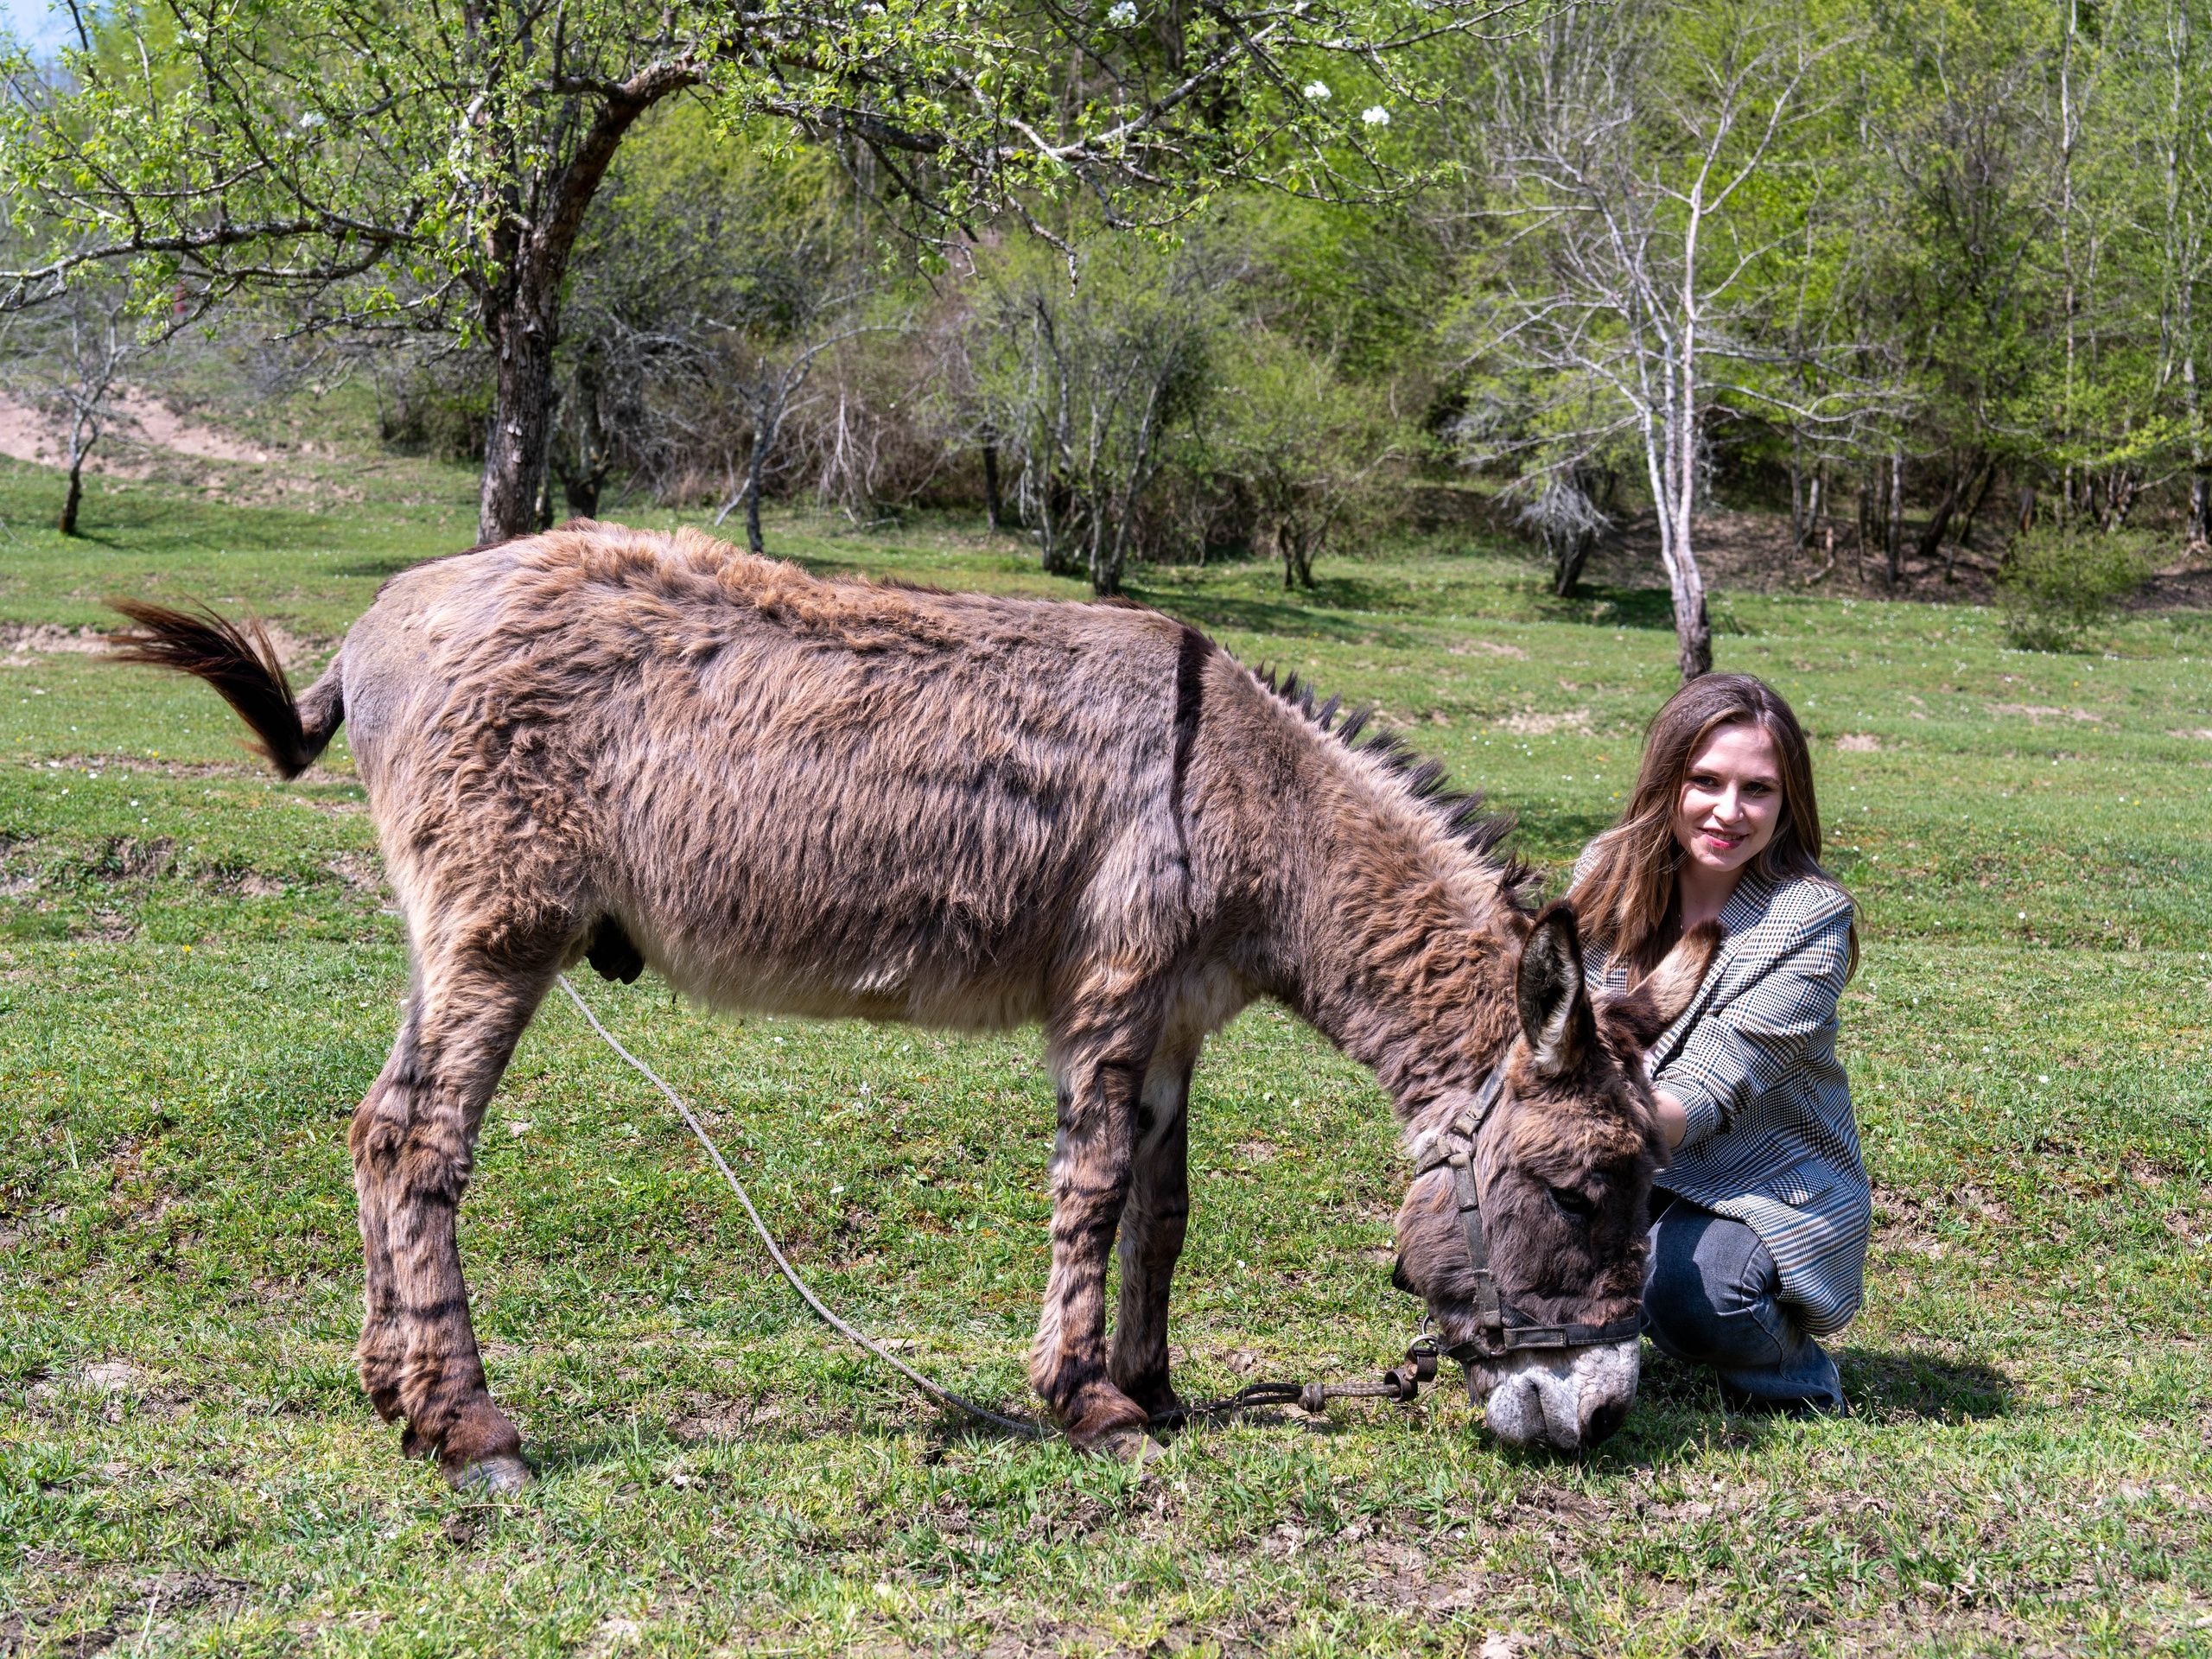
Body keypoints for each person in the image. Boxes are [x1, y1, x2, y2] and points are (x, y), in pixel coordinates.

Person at [1567, 673, 1866, 1414]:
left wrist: (1578, 1128)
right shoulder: (1604, 877)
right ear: (1667, 781)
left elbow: (1714, 1081)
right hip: (1624, 1157)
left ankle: (1790, 1372)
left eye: (1757, 790)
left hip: (1759, 1184)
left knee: (1695, 1294)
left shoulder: (1809, 919)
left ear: (1787, 800)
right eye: (1705, 781)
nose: (1728, 812)